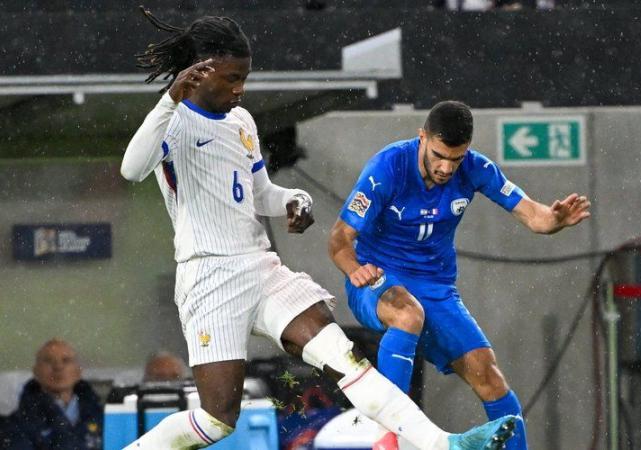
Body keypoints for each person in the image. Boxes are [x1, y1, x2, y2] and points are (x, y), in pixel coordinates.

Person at [120, 8, 515, 450]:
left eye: (244, 77)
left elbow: (259, 192)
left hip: (260, 268)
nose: (239, 88)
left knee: (346, 359)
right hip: (208, 277)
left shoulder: (241, 122)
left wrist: (293, 199)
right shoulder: (172, 122)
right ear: (199, 73)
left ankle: (443, 444)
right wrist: (169, 98)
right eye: (231, 78)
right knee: (218, 420)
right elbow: (132, 169)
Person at [329, 100, 591, 450]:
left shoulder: (476, 167)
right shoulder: (387, 168)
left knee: (489, 375)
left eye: (456, 158)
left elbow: (535, 216)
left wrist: (554, 220)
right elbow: (339, 240)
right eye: (439, 155)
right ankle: (388, 438)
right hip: (378, 279)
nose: (446, 167)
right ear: (422, 137)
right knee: (407, 314)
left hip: (436, 288)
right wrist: (355, 269)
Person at [4, 338, 103, 449]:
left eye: (66, 360)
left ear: (78, 371)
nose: (58, 367)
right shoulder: (17, 425)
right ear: (36, 371)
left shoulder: (103, 418)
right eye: (48, 360)